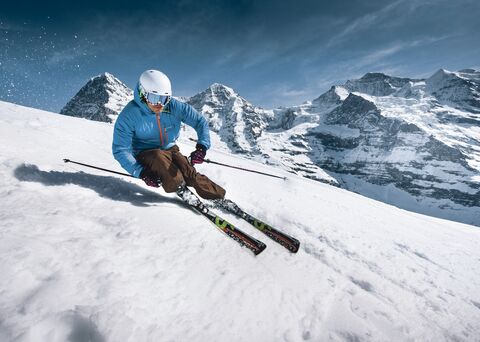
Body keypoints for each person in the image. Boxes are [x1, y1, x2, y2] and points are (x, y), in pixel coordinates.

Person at [112, 69, 225, 199]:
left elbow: (200, 122)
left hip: (171, 149)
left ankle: (220, 198)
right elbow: (121, 150)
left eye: (164, 99)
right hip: (145, 153)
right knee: (173, 178)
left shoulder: (173, 107)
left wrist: (202, 147)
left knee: (190, 175)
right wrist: (141, 172)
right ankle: (178, 186)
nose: (160, 104)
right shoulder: (129, 115)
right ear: (143, 94)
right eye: (154, 98)